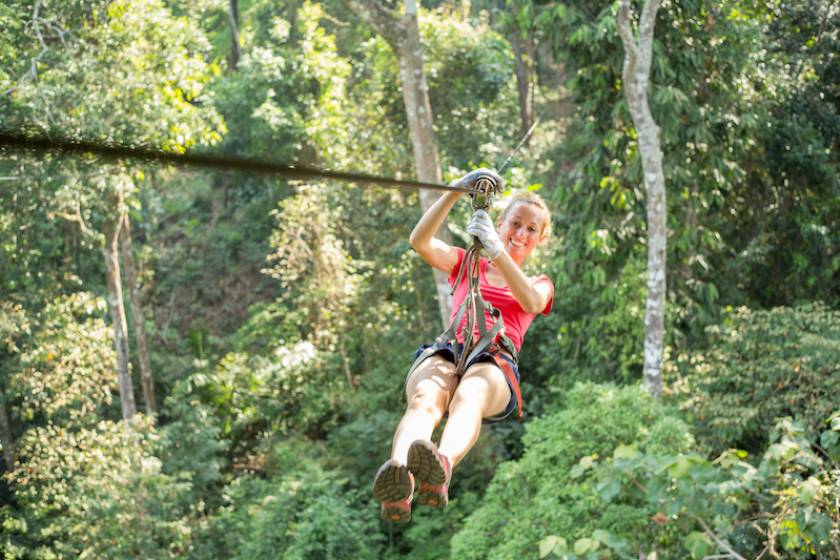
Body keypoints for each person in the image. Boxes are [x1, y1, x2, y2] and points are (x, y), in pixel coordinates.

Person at [372, 169, 555, 522]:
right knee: (426, 399)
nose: (521, 233)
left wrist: (498, 251)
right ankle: (399, 477)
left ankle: (442, 464)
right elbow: (420, 241)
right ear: (500, 221)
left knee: (467, 397)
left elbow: (532, 302)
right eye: (515, 223)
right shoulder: (464, 262)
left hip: (495, 361)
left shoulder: (539, 282)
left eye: (531, 229)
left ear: (541, 238)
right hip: (450, 349)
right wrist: (455, 191)